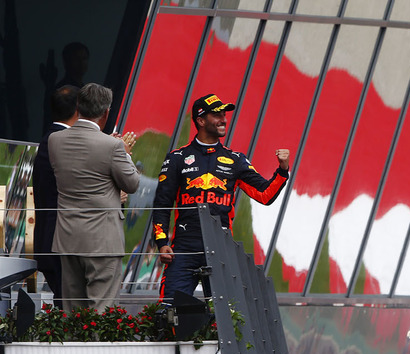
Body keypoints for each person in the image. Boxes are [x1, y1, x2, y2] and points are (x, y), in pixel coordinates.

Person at [152, 93, 291, 302]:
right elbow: (162, 204)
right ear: (200, 120)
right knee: (171, 310)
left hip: (221, 250)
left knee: (226, 316)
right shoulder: (177, 158)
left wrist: (282, 170)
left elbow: (264, 195)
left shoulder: (236, 160)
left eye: (224, 114)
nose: (223, 119)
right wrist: (162, 242)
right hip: (183, 248)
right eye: (216, 115)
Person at [49, 83, 140, 311]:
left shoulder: (55, 140)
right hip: (103, 241)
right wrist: (125, 153)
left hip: (68, 238)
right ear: (106, 113)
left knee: (72, 312)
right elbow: (132, 184)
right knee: (102, 311)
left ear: (78, 106)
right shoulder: (113, 146)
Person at [32, 85, 79, 308]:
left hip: (54, 242)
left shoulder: (51, 138)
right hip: (60, 244)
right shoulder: (60, 141)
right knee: (72, 310)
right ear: (79, 110)